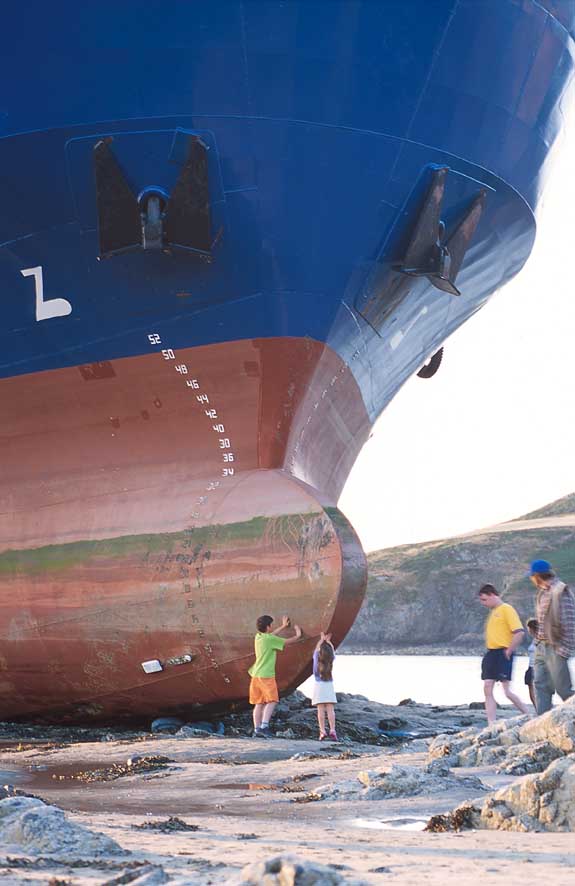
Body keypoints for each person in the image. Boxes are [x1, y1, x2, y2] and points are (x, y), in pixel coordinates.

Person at [528, 559, 575, 714]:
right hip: (540, 646)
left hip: (556, 647)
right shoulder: (542, 593)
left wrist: (564, 650)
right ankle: (542, 721)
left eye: (532, 576)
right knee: (540, 685)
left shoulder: (561, 590)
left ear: (537, 575)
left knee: (564, 690)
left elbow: (570, 622)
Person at [478, 584, 530, 724]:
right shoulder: (493, 612)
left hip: (503, 652)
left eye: (484, 599)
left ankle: (528, 714)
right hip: (491, 653)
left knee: (507, 691)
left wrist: (509, 650)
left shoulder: (506, 609)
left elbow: (519, 632)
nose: (483, 603)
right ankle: (491, 722)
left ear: (492, 595)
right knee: (487, 687)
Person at [248, 614, 302, 737]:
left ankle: (257, 729)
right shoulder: (270, 640)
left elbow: (271, 636)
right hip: (266, 675)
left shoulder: (259, 637)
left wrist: (283, 627)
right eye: (271, 625)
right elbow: (288, 641)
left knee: (259, 703)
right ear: (268, 626)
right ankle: (264, 726)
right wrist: (298, 635)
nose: (272, 627)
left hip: (255, 675)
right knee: (272, 700)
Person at [312, 632, 338, 741]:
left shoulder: (317, 660)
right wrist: (328, 642)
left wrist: (321, 640)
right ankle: (332, 730)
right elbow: (332, 653)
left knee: (320, 710)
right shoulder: (330, 660)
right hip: (329, 685)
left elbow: (315, 651)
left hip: (319, 686)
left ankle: (322, 731)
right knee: (330, 710)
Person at [524, 617, 538, 709]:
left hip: (537, 667)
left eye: (528, 628)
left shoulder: (540, 639)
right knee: (530, 687)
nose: (528, 630)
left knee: (536, 689)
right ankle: (537, 708)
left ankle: (539, 708)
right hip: (530, 666)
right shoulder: (534, 640)